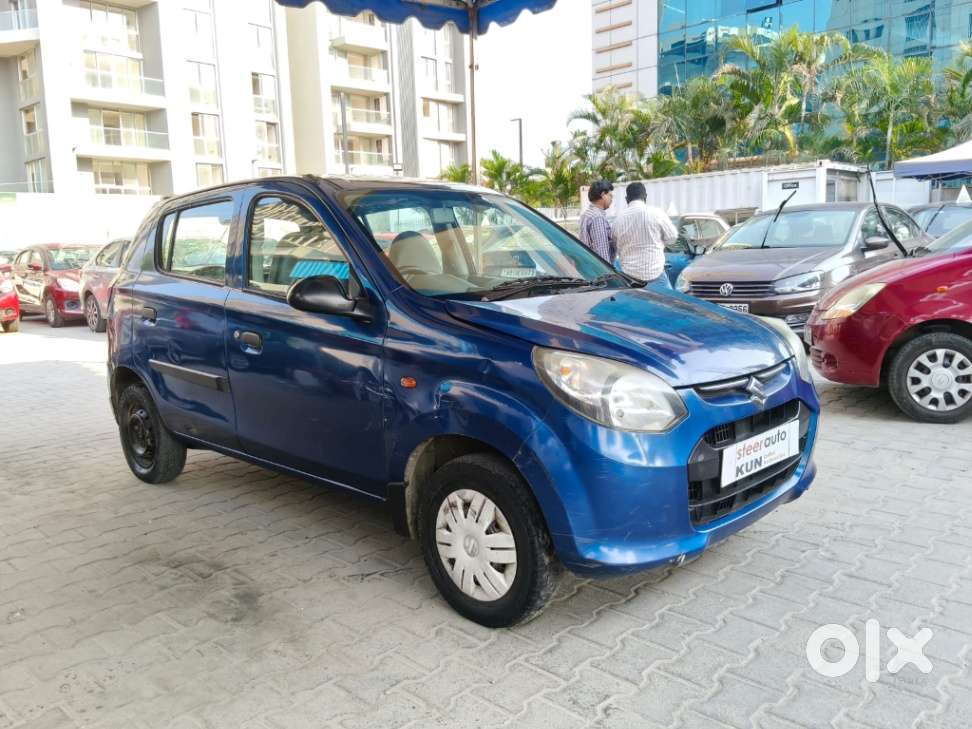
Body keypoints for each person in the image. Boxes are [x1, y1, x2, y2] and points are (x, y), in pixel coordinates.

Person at [614, 182, 678, 290]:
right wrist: (660, 242)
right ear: (645, 197)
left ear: (626, 199)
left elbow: (615, 245)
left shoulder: (618, 220)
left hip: (630, 279)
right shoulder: (657, 213)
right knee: (667, 305)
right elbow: (672, 237)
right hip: (656, 276)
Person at [578, 180, 615, 262]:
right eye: (610, 195)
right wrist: (607, 273)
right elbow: (602, 251)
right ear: (603, 195)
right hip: (598, 270)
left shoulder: (587, 214)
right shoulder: (597, 217)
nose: (611, 199)